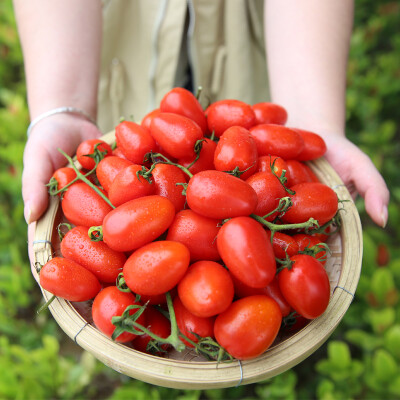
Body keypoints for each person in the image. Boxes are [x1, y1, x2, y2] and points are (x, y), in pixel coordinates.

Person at [14, 0, 389, 239]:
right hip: (106, 47)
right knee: (132, 158)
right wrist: (63, 104)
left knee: (232, 137)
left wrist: (311, 118)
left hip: (262, 51)